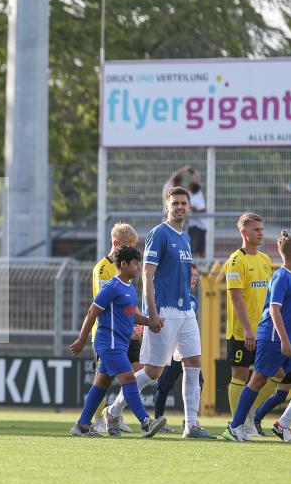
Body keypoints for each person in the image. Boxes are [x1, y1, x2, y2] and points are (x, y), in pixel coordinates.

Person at [104, 187, 216, 439]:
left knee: (193, 363)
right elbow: (147, 275)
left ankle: (190, 425)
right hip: (164, 311)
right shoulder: (159, 234)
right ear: (167, 207)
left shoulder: (185, 237)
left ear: (189, 207)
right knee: (153, 371)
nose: (180, 207)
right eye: (175, 203)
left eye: (183, 203)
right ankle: (114, 410)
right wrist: (151, 314)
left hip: (186, 311)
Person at [68, 246, 168, 437]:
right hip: (109, 343)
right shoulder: (111, 287)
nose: (138, 268)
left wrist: (149, 321)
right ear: (123, 264)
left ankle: (81, 425)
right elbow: (92, 312)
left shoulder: (128, 287)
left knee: (102, 384)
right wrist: (81, 339)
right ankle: (146, 422)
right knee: (129, 379)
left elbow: (130, 314)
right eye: (135, 264)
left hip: (120, 344)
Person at [223, 231, 291, 442]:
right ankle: (235, 426)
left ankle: (283, 424)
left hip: (286, 338)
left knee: (265, 380)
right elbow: (274, 309)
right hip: (273, 337)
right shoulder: (282, 276)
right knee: (258, 380)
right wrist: (284, 339)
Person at [222, 213, 274, 437]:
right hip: (242, 331)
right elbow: (236, 298)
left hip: (264, 330)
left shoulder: (265, 259)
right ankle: (238, 425)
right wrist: (247, 329)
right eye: (256, 229)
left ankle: (248, 414)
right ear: (244, 232)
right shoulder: (235, 261)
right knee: (240, 375)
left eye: (261, 229)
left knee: (277, 373)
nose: (261, 233)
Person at [89, 223, 140, 434]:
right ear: (116, 243)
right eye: (128, 246)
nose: (131, 251)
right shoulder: (103, 268)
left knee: (135, 372)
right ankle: (97, 421)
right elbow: (104, 305)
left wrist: (136, 323)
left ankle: (115, 414)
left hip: (125, 331)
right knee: (104, 379)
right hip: (107, 333)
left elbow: (128, 301)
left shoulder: (126, 267)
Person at [153, 264, 204, 432]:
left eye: (196, 275)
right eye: (191, 275)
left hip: (185, 349)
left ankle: (190, 421)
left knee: (199, 381)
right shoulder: (175, 297)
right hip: (174, 349)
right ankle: (158, 421)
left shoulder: (193, 300)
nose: (194, 278)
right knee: (163, 384)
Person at [187, 181, 207, 258]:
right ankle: (198, 263)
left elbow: (204, 209)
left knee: (196, 249)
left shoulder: (195, 199)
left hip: (198, 227)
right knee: (193, 249)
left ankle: (198, 263)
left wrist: (194, 210)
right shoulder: (198, 194)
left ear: (191, 189)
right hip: (195, 226)